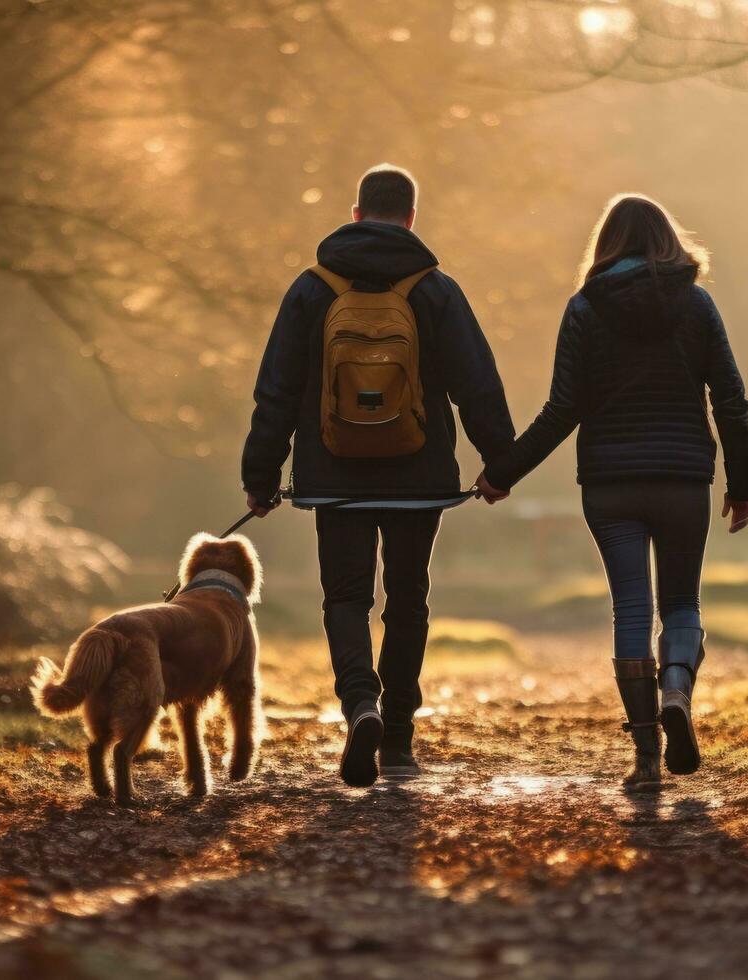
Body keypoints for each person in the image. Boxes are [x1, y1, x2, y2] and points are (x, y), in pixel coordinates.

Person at [241, 164, 515, 788]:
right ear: (412, 217)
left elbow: (276, 391)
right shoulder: (435, 289)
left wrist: (261, 475)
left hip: (332, 472)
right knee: (408, 601)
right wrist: (499, 464)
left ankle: (359, 703)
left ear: (356, 213)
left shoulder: (313, 289)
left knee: (346, 598)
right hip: (420, 477)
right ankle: (396, 738)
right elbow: (478, 383)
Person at [477, 194, 748, 790]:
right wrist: (743, 483)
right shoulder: (697, 305)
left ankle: (647, 754)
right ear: (668, 240)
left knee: (631, 607)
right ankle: (677, 687)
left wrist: (503, 473)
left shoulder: (585, 308)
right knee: (681, 602)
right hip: (683, 479)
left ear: (604, 245)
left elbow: (562, 409)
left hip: (610, 483)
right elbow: (729, 398)